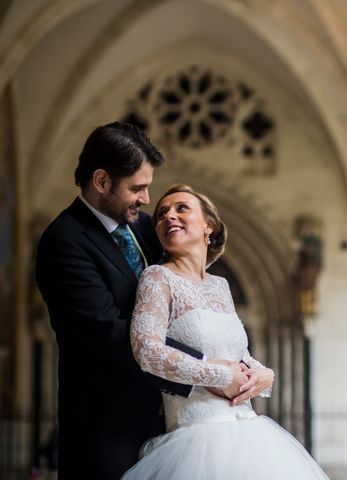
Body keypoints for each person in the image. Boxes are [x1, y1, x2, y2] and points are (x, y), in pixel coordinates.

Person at [35, 122, 217, 479]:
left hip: (169, 426)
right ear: (102, 182)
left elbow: (191, 290)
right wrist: (206, 370)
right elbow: (109, 333)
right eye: (137, 188)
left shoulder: (146, 227)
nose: (147, 199)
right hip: (106, 433)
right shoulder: (63, 241)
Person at [121, 184, 328, 479]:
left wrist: (263, 374)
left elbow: (236, 354)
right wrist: (219, 375)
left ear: (209, 226)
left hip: (247, 432)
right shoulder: (157, 277)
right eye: (161, 214)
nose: (169, 217)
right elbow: (147, 351)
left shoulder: (220, 286)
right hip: (193, 440)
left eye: (182, 208)